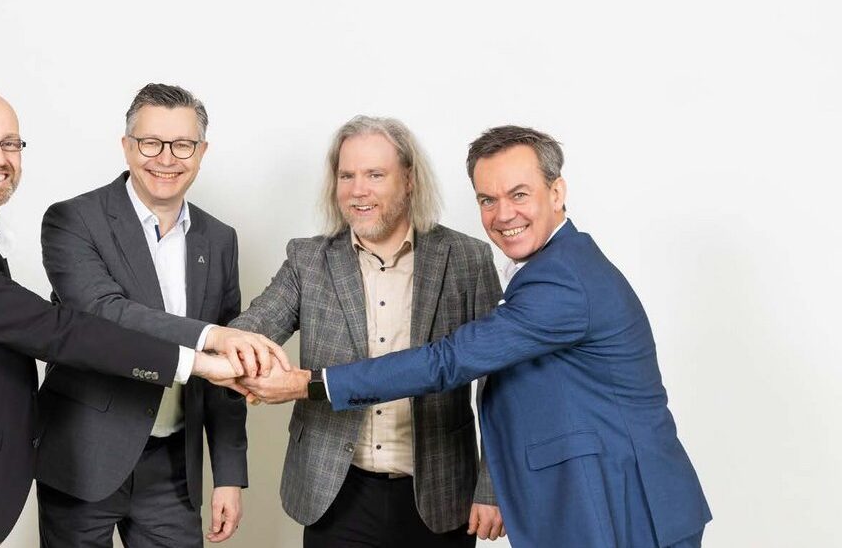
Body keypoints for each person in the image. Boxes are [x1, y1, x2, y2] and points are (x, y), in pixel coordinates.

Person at [245, 125, 712, 548]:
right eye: (487, 200)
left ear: (557, 192)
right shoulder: (551, 267)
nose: (503, 214)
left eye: (519, 194)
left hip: (626, 499)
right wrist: (211, 346)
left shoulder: (561, 280)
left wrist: (310, 383)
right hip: (594, 493)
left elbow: (448, 361)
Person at [0, 89, 267, 548]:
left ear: (201, 151)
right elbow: (63, 327)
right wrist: (201, 356)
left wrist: (228, 471)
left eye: (9, 143)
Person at [228, 116, 505, 547]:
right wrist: (236, 356)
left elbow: (499, 382)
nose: (358, 190)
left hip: (439, 491)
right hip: (335, 492)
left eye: (375, 175)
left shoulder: (467, 260)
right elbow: (251, 330)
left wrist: (492, 487)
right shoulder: (309, 260)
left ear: (408, 180)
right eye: (347, 176)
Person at [34, 83, 277, 547]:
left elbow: (226, 376)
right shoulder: (72, 220)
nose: (166, 158)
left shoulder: (220, 239)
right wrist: (211, 337)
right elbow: (104, 314)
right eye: (150, 143)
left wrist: (228, 474)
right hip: (84, 456)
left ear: (201, 152)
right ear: (127, 146)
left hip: (172, 467)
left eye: (182, 144)